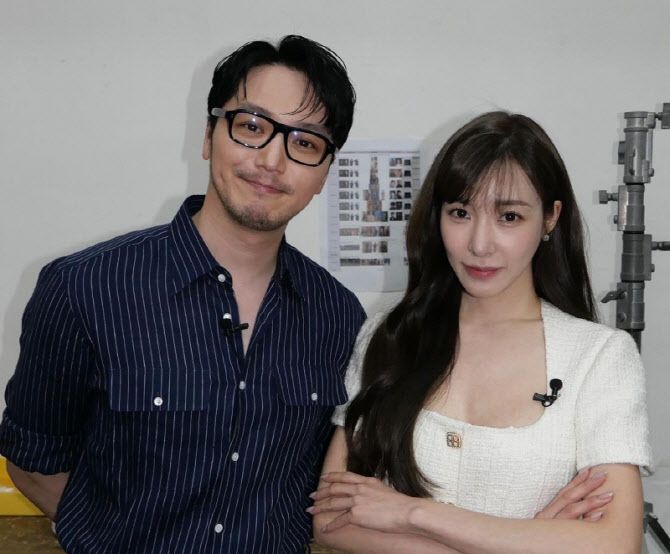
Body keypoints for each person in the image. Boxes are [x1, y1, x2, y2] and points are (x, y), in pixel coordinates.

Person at [0, 36, 366, 554]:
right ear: (209, 135)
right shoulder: (84, 287)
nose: (271, 160)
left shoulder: (339, 316)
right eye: (252, 127)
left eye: (305, 142)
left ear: (325, 171)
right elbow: (33, 461)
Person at [310, 112, 653, 553]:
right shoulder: (389, 335)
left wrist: (414, 513)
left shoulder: (599, 356)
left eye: (509, 216)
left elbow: (615, 543)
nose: (478, 244)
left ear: (550, 219)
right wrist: (522, 541)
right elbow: (331, 520)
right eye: (460, 213)